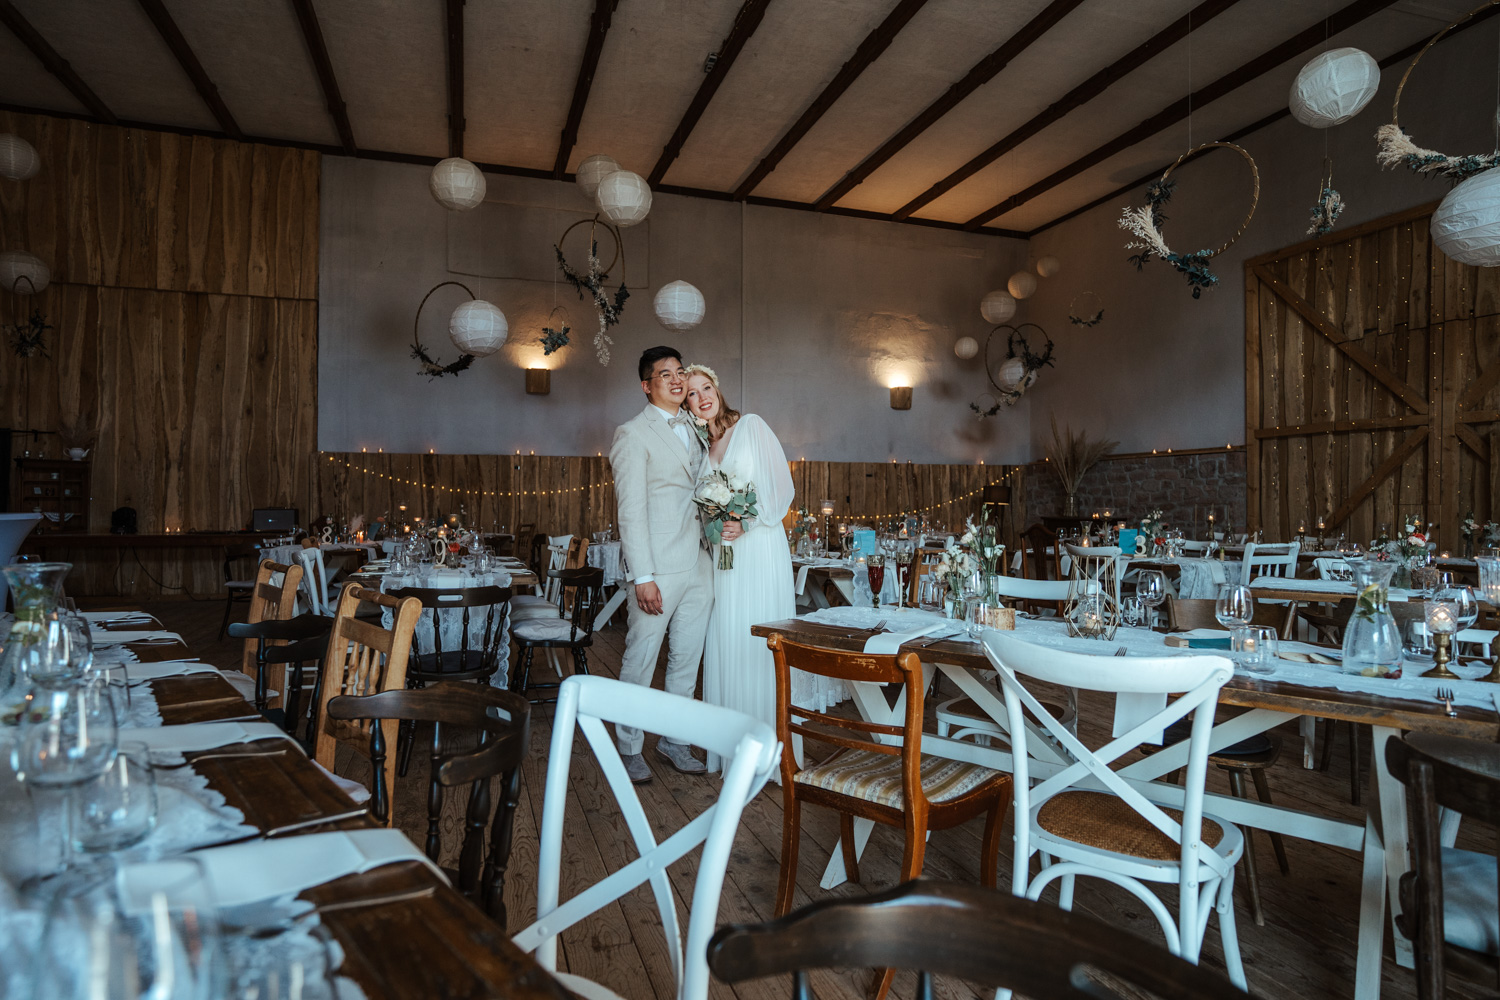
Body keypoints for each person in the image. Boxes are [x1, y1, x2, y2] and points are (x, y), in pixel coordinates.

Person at [683, 365, 844, 774]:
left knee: (758, 640)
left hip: (758, 550)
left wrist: (745, 521)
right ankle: (732, 748)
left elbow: (780, 490)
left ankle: (770, 753)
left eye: (706, 388)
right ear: (685, 404)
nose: (701, 397)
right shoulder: (700, 449)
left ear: (717, 389)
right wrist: (716, 527)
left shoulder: (751, 426)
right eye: (690, 394)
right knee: (728, 636)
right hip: (726, 557)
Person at [607, 346, 714, 784]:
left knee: (687, 659)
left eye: (679, 372)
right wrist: (643, 576)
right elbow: (630, 511)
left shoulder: (699, 425)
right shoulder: (632, 433)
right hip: (658, 568)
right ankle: (629, 746)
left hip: (700, 563)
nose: (675, 380)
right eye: (664, 374)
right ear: (646, 385)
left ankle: (674, 739)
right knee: (641, 657)